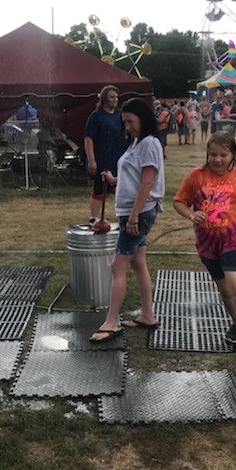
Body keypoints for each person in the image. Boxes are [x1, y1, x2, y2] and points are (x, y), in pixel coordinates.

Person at [173, 132, 236, 367]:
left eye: (223, 155)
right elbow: (178, 201)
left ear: (232, 155)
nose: (217, 159)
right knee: (226, 291)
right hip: (208, 245)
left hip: (234, 241)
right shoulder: (196, 177)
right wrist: (191, 213)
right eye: (213, 154)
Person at [89, 98, 165, 342]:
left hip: (138, 214)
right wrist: (113, 180)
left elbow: (148, 182)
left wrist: (133, 217)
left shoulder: (149, 143)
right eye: (124, 122)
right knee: (138, 262)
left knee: (117, 265)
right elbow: (134, 177)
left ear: (143, 118)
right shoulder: (136, 143)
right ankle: (148, 315)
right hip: (132, 212)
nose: (127, 126)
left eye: (130, 121)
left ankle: (111, 322)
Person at [84, 85, 126, 224]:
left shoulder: (120, 114)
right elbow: (88, 138)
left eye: (116, 96)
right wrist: (91, 160)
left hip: (117, 157)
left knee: (120, 187)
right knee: (100, 188)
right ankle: (94, 217)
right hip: (101, 157)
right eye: (112, 97)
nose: (115, 99)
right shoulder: (96, 116)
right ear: (104, 98)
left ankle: (123, 215)